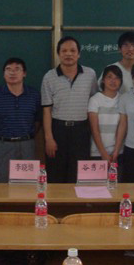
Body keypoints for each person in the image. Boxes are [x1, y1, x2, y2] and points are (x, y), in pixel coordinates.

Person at [41, 36, 98, 183]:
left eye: (72, 51)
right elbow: (46, 110)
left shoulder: (90, 74)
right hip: (58, 130)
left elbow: (94, 103)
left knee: (78, 174)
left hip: (81, 131)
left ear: (79, 54)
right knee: (55, 173)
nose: (68, 54)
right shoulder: (49, 77)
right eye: (64, 51)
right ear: (58, 54)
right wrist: (49, 138)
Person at [0, 57, 41, 183]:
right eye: (8, 69)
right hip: (2, 145)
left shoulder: (34, 94)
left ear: (24, 73)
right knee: (1, 183)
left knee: (28, 184)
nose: (12, 72)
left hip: (27, 145)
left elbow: (38, 121)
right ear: (3, 73)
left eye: (17, 69)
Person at [88, 65, 123, 176]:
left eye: (117, 78)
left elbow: (122, 127)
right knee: (98, 185)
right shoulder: (95, 99)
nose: (113, 81)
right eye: (109, 77)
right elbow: (94, 129)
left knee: (117, 185)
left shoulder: (123, 99)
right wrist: (103, 153)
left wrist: (116, 151)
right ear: (103, 80)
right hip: (97, 152)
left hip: (118, 153)